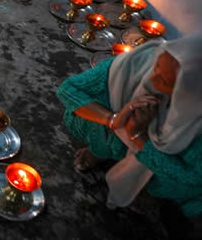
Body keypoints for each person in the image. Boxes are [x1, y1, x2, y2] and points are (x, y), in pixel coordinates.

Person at [57, 33, 202, 217]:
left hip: (165, 165)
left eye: (164, 81)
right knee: (79, 116)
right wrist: (112, 118)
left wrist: (138, 136)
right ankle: (102, 152)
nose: (152, 79)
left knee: (178, 187)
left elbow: (190, 178)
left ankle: (140, 182)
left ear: (190, 92)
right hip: (119, 131)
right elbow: (68, 90)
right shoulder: (140, 61)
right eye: (157, 66)